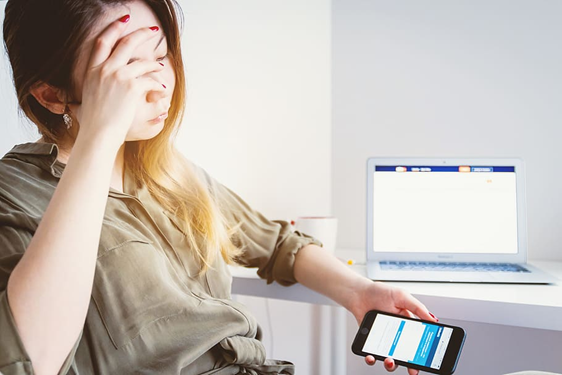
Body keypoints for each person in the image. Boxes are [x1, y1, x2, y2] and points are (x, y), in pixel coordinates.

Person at [0, 0, 437, 374]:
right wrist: (100, 135)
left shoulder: (165, 169)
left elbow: (278, 244)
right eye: (127, 69)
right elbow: (32, 358)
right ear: (51, 95)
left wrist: (360, 292)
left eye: (161, 56)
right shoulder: (13, 191)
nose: (160, 86)